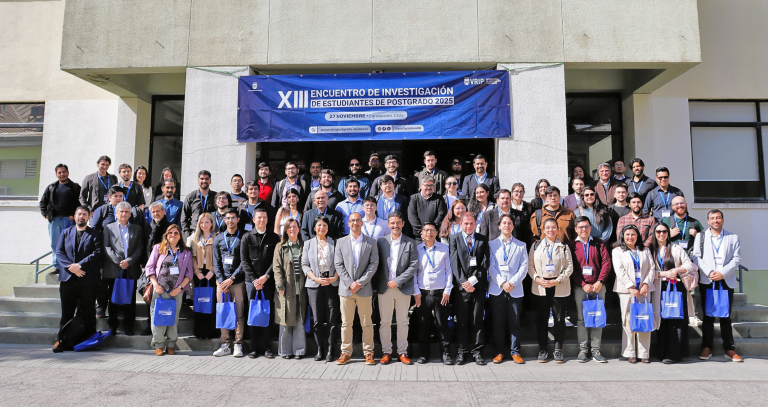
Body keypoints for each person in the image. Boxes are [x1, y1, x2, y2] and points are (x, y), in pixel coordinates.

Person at [692, 210, 742, 362]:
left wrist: (722, 273)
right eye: (712, 218)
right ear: (708, 221)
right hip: (708, 280)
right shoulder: (701, 237)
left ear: (723, 220)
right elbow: (696, 256)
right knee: (708, 315)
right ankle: (707, 347)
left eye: (718, 218)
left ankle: (729, 348)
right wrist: (709, 272)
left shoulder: (733, 237)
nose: (716, 220)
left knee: (725, 316)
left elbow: (736, 258)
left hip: (725, 280)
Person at [52, 206, 101, 353]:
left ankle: (89, 341)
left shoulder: (95, 234)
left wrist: (80, 265)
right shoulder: (65, 233)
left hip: (88, 280)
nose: (81, 217)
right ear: (75, 215)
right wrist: (71, 267)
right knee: (67, 312)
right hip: (68, 280)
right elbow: (59, 252)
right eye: (79, 214)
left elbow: (97, 253)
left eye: (84, 214)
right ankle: (62, 341)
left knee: (88, 312)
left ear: (88, 217)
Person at [333, 212, 379, 365]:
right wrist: (349, 283)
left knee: (366, 323)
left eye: (358, 220)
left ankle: (369, 352)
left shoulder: (371, 242)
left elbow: (374, 265)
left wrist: (360, 282)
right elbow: (338, 264)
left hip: (364, 289)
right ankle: (345, 352)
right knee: (346, 323)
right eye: (352, 220)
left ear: (362, 222)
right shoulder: (340, 242)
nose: (355, 223)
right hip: (346, 290)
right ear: (348, 223)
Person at [375, 212, 418, 365]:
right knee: (385, 322)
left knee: (403, 322)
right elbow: (376, 264)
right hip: (384, 287)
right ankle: (386, 352)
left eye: (398, 222)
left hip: (403, 288)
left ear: (403, 223)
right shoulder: (381, 242)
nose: (395, 226)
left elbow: (413, 266)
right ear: (388, 224)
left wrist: (398, 281)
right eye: (392, 223)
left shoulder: (410, 242)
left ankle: (402, 352)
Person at [528, 218, 573, 363]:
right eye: (548, 228)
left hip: (559, 285)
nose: (551, 230)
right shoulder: (536, 246)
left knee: (559, 319)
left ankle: (558, 349)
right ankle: (542, 349)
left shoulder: (564, 247)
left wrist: (558, 280)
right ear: (543, 229)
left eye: (554, 227)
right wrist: (536, 278)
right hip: (541, 285)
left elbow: (569, 267)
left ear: (558, 229)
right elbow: (530, 265)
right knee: (542, 319)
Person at [568, 216, 611, 363]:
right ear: (576, 229)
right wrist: (582, 284)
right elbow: (570, 268)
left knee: (597, 317)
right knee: (582, 319)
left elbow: (606, 263)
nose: (584, 229)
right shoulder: (572, 245)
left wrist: (600, 281)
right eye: (580, 227)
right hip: (581, 288)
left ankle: (596, 350)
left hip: (599, 287)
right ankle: (582, 350)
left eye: (586, 226)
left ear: (590, 228)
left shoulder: (599, 243)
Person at [145, 224, 193, 355]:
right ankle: (159, 344)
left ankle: (171, 344)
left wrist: (180, 288)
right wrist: (155, 284)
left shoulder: (186, 252)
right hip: (160, 289)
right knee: (158, 317)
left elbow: (189, 273)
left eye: (176, 233)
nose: (173, 235)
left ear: (180, 236)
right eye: (170, 232)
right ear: (166, 235)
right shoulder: (158, 248)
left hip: (176, 291)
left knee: (173, 318)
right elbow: (149, 268)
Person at [649, 222, 693, 364]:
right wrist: (663, 273)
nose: (661, 234)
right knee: (662, 320)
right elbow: (648, 271)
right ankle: (661, 352)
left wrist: (675, 271)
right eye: (658, 231)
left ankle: (675, 353)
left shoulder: (675, 247)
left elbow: (689, 265)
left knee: (676, 320)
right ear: (654, 234)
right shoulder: (650, 249)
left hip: (675, 287)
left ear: (668, 233)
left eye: (664, 231)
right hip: (658, 288)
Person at [449, 213, 490, 365]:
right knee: (462, 321)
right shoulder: (454, 239)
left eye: (471, 223)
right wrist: (464, 282)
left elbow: (484, 263)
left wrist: (472, 281)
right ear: (461, 224)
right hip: (461, 289)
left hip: (478, 287)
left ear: (475, 223)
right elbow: (454, 263)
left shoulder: (482, 239)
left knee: (477, 320)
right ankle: (462, 352)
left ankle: (477, 351)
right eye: (466, 223)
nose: (468, 226)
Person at [241, 207, 281, 359]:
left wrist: (266, 276)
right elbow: (244, 261)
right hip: (251, 283)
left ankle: (267, 347)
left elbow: (275, 260)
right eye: (259, 217)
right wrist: (254, 280)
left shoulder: (274, 237)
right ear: (254, 219)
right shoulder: (247, 237)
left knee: (267, 314)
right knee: (252, 314)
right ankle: (254, 348)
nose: (262, 220)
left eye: (264, 217)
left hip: (268, 281)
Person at [488, 214, 528, 364]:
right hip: (497, 288)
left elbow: (523, 268)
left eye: (509, 223)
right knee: (498, 322)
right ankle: (499, 351)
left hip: (515, 289)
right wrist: (502, 283)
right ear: (499, 226)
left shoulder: (521, 245)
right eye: (504, 223)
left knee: (515, 322)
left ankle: (515, 351)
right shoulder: (492, 245)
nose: (507, 225)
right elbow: (491, 266)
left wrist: (511, 283)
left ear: (513, 226)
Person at [613, 224, 656, 363]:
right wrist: (631, 286)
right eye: (627, 235)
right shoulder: (618, 251)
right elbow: (619, 270)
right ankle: (630, 352)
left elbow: (651, 268)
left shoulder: (645, 250)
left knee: (644, 318)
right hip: (626, 291)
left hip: (644, 291)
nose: (630, 237)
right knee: (628, 321)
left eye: (633, 234)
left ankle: (644, 353)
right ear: (623, 236)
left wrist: (645, 284)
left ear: (637, 236)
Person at [413, 221, 454, 365]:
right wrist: (416, 292)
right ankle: (423, 354)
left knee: (443, 324)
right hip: (423, 294)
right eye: (426, 230)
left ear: (436, 233)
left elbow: (449, 271)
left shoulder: (444, 248)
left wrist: (447, 290)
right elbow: (414, 273)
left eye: (432, 230)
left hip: (441, 294)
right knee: (423, 325)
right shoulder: (417, 249)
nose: (429, 233)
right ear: (422, 234)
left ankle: (446, 354)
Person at [301, 215, 340, 362]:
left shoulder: (334, 243)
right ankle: (319, 348)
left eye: (324, 225)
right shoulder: (308, 244)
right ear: (314, 228)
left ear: (328, 227)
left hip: (331, 284)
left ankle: (331, 349)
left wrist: (335, 277)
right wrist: (315, 278)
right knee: (317, 320)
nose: (321, 228)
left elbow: (340, 263)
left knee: (331, 319)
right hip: (314, 285)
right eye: (319, 225)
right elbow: (305, 264)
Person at [662, 196, 705, 327]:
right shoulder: (666, 221)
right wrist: (668, 233)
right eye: (676, 204)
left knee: (690, 289)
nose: (679, 206)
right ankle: (671, 311)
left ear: (686, 204)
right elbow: (659, 237)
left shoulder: (694, 222)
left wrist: (697, 235)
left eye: (682, 203)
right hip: (672, 261)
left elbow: (705, 240)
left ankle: (692, 315)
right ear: (672, 206)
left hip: (689, 260)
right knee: (672, 288)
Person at [102, 201, 144, 335]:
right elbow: (106, 247)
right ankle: (113, 326)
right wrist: (119, 261)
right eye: (121, 211)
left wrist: (129, 261)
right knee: (113, 299)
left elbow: (140, 248)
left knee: (130, 300)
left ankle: (128, 326)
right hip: (114, 269)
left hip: (130, 269)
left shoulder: (137, 228)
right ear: (116, 213)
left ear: (130, 213)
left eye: (126, 212)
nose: (124, 214)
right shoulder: (109, 228)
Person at [212, 208, 246, 358]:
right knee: (223, 312)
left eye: (233, 218)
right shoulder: (219, 238)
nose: (230, 220)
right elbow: (216, 261)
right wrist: (221, 280)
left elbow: (245, 261)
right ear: (224, 220)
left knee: (239, 313)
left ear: (238, 219)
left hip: (237, 281)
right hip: (221, 283)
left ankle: (238, 343)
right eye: (228, 218)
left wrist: (232, 278)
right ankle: (225, 344)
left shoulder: (244, 237)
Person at [272, 218, 308, 359]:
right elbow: (277, 267)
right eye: (289, 227)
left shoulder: (304, 245)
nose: (292, 229)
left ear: (299, 229)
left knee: (299, 319)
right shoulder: (280, 247)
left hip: (301, 288)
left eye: (295, 227)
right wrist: (280, 285)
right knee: (285, 320)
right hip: (286, 288)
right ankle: (285, 351)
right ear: (286, 230)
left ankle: (299, 350)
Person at [40, 163, 81, 271]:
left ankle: (68, 265)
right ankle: (57, 266)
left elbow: (80, 203)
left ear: (68, 172)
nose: (62, 174)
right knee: (55, 243)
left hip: (69, 220)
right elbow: (43, 202)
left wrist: (75, 216)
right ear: (56, 174)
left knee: (69, 244)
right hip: (54, 220)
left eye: (64, 172)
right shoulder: (51, 187)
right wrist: (46, 215)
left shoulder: (75, 187)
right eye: (59, 172)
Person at [140, 201, 171, 335]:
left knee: (164, 298)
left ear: (164, 212)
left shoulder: (170, 227)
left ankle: (164, 327)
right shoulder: (147, 227)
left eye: (158, 211)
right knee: (150, 297)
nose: (156, 214)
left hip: (165, 269)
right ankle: (150, 325)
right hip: (150, 268)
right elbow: (143, 246)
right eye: (153, 212)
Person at [188, 212, 218, 339]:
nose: (204, 225)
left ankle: (210, 332)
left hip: (212, 273)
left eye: (207, 222)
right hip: (199, 273)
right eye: (202, 222)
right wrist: (197, 272)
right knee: (200, 301)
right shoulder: (194, 238)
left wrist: (212, 270)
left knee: (211, 302)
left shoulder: (217, 237)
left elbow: (218, 257)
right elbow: (193, 257)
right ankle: (200, 332)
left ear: (211, 223)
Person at [408, 175, 448, 242]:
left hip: (434, 237)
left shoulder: (439, 199)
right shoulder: (413, 198)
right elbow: (412, 216)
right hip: (418, 237)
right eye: (426, 185)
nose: (429, 187)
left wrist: (431, 231)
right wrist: (423, 232)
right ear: (421, 186)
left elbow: (441, 215)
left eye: (431, 185)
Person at [182, 170, 217, 238]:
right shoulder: (191, 196)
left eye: (207, 179)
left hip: (210, 234)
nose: (204, 181)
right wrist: (187, 234)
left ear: (210, 181)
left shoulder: (216, 196)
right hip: (194, 233)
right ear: (198, 180)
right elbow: (184, 216)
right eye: (202, 179)